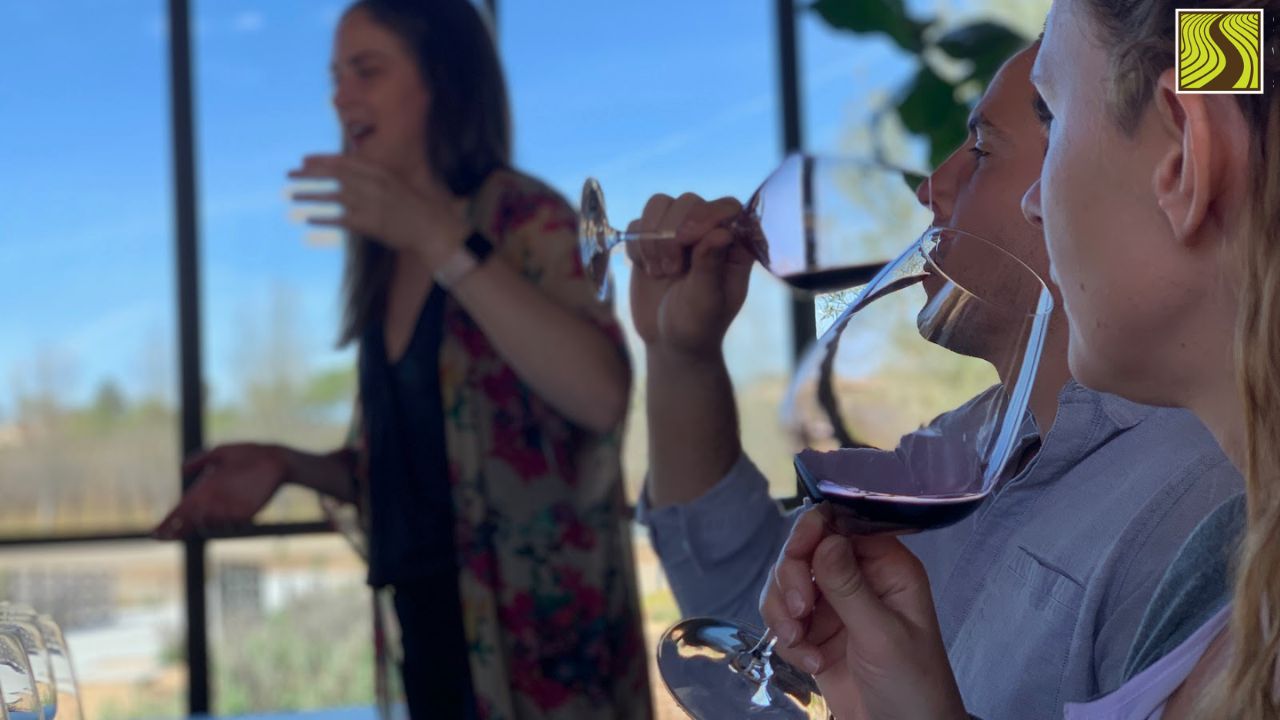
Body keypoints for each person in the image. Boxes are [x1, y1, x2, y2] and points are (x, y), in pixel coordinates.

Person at [628, 42, 1241, 720]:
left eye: (981, 150)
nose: (930, 186)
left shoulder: (1208, 511)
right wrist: (681, 356)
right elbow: (746, 603)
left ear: (1173, 173)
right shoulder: (968, 446)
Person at [152, 2, 650, 718]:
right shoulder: (384, 260)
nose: (340, 96)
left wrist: (439, 239)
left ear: (443, 80)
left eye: (366, 70)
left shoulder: (522, 217)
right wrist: (288, 465)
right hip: (432, 645)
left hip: (542, 664)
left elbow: (602, 395)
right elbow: (416, 473)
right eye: (335, 76)